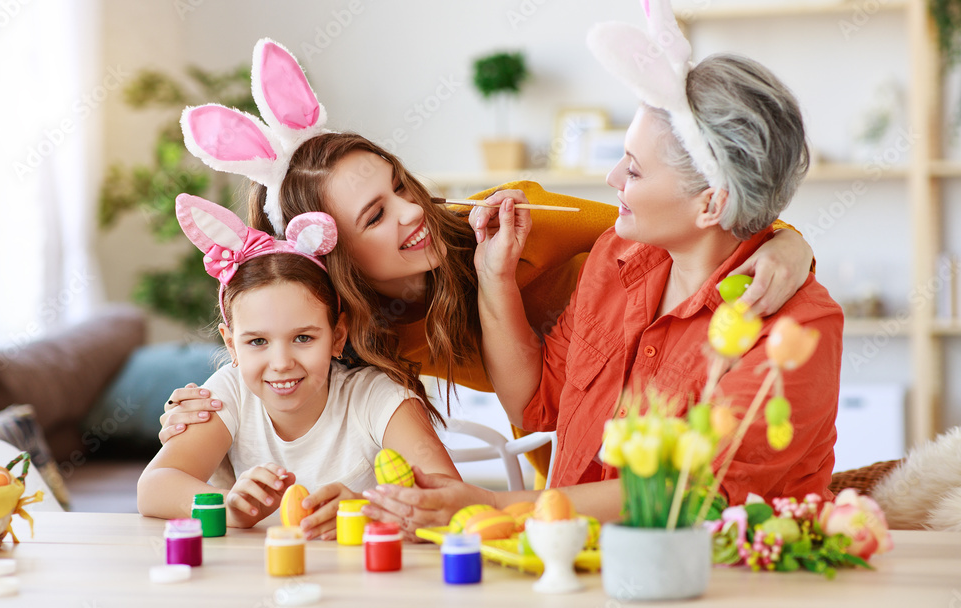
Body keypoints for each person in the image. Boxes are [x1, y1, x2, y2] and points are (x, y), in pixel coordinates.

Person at [158, 39, 814, 482]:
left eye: (400, 186)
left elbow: (672, 214)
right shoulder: (355, 338)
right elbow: (275, 381)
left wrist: (788, 238)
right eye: (377, 217)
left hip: (669, 372)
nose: (414, 212)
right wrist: (198, 411)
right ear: (334, 263)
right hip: (564, 427)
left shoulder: (505, 224)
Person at [358, 25, 843, 531]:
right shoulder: (616, 257)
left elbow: (699, 493)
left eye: (633, 170)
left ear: (711, 203)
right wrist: (494, 275)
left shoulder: (800, 327)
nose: (613, 180)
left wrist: (499, 506)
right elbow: (535, 403)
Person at [137, 194, 459, 535]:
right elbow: (153, 488)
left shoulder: (376, 398)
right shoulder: (227, 392)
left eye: (303, 338)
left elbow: (451, 498)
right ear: (231, 344)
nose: (281, 364)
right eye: (257, 342)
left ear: (337, 336)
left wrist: (365, 511)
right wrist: (227, 506)